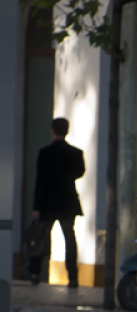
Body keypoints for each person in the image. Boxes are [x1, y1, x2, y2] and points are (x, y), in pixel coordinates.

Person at [29, 117, 85, 287]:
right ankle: (73, 277)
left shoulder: (45, 153)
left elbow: (41, 181)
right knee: (69, 239)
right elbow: (79, 172)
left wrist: (37, 206)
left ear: (52, 131)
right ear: (66, 131)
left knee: (41, 237)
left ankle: (34, 272)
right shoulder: (76, 153)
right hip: (68, 202)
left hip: (48, 203)